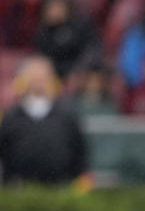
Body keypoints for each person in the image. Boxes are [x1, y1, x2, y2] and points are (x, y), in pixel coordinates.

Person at [0, 55, 89, 188]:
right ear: (24, 79)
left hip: (60, 187)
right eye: (34, 77)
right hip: (19, 189)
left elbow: (79, 152)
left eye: (43, 76)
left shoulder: (67, 116)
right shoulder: (10, 117)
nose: (38, 81)